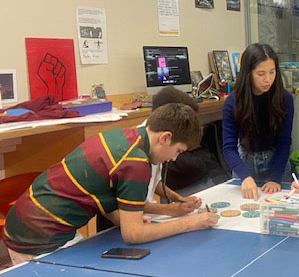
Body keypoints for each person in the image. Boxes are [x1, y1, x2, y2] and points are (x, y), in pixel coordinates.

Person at [1, 103, 218, 265]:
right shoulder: (136, 163)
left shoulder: (122, 136)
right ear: (165, 138)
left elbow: (99, 192)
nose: (174, 159)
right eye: (178, 151)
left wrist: (126, 218)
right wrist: (192, 223)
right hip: (37, 238)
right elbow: (133, 235)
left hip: (25, 222)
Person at [222, 43, 294, 200]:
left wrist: (275, 177)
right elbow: (228, 148)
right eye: (261, 74)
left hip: (277, 163)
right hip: (244, 164)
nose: (268, 79)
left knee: (280, 211)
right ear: (248, 73)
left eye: (272, 72)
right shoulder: (233, 102)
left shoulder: (284, 99)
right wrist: (245, 176)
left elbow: (285, 141)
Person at [142, 86, 203, 217]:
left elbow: (155, 182)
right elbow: (132, 207)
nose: (174, 158)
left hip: (145, 214)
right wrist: (171, 210)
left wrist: (179, 199)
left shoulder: (157, 143)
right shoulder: (137, 153)